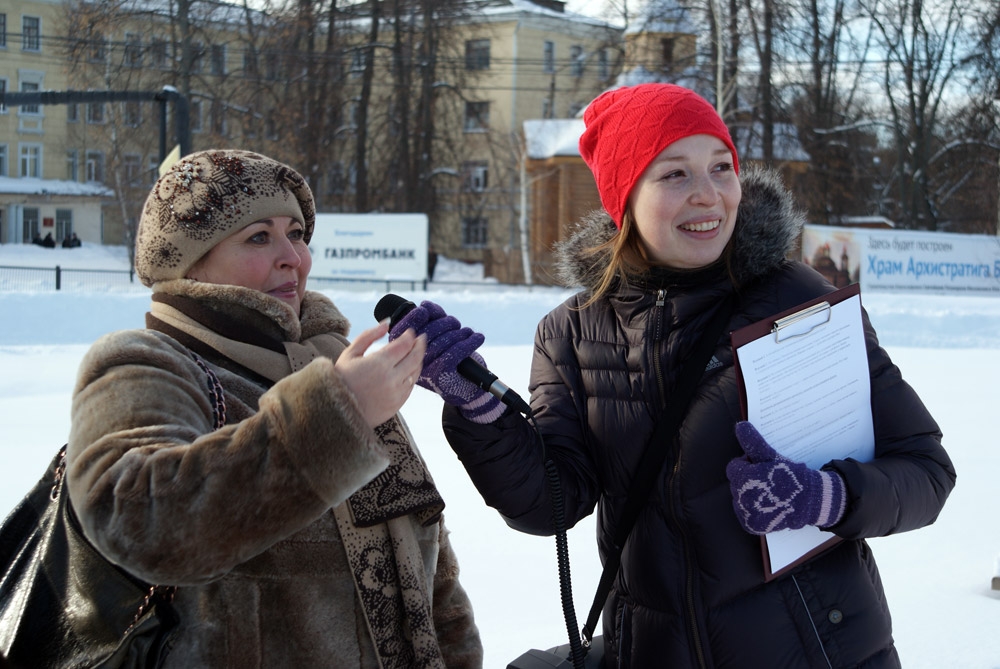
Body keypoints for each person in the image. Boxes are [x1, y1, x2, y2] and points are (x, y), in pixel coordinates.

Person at [390, 84, 956, 668]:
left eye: (721, 168)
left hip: (820, 650)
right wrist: (481, 411)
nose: (709, 196)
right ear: (625, 196)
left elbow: (925, 472)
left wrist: (826, 495)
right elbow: (549, 505)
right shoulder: (572, 332)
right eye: (675, 175)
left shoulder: (799, 300)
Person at [65, 149, 483, 668]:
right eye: (258, 236)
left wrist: (484, 414)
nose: (294, 257)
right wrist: (341, 413)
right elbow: (136, 520)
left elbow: (431, 576)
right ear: (189, 261)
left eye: (297, 234)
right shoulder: (143, 364)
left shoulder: (331, 366)